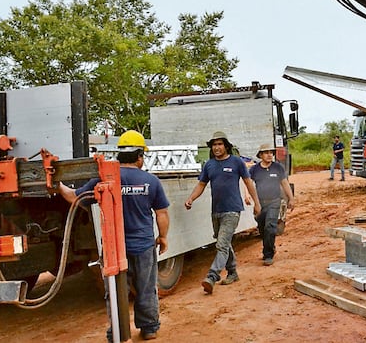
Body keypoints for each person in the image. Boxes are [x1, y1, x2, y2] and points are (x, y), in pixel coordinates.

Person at [58, 130, 169, 342]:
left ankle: (117, 333)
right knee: (146, 288)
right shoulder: (151, 181)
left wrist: (57, 184)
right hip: (144, 246)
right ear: (139, 156)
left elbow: (75, 198)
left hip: (114, 248)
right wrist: (163, 237)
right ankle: (149, 328)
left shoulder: (105, 178)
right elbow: (162, 213)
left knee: (116, 291)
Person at [184, 131, 261, 295]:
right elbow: (201, 185)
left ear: (226, 146)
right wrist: (191, 198)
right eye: (214, 144)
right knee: (224, 243)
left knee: (221, 244)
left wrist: (257, 203)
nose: (217, 147)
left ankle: (212, 276)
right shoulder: (209, 165)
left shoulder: (236, 162)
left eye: (220, 144)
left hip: (232, 210)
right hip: (216, 210)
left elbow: (248, 183)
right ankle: (232, 272)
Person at [249, 143, 295, 266]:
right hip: (259, 204)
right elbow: (247, 183)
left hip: (274, 201)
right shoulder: (254, 169)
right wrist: (247, 196)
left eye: (271, 153)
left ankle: (268, 254)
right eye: (266, 153)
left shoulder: (278, 168)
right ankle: (270, 246)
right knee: (263, 229)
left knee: (270, 226)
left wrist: (291, 198)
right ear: (260, 155)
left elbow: (284, 183)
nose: (269, 155)